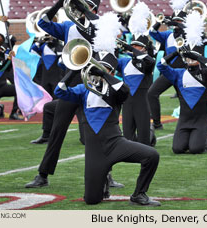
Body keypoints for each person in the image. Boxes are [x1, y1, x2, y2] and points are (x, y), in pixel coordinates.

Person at [54, 52, 160, 205]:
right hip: (94, 152)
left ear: (111, 72)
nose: (98, 70)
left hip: (115, 144)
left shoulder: (117, 89)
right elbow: (59, 91)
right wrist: (73, 71)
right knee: (91, 200)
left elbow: (124, 91)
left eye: (105, 68)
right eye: (97, 67)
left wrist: (104, 73)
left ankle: (139, 194)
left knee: (152, 155)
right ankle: (102, 181)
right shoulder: (83, 89)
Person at [25, 0, 101, 187]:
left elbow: (95, 25)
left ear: (94, 9)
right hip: (70, 83)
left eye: (87, 7)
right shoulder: (68, 27)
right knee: (57, 131)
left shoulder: (100, 26)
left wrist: (86, 10)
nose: (81, 10)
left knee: (96, 133)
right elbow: (43, 23)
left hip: (92, 84)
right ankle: (42, 175)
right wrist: (60, 2)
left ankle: (106, 174)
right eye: (80, 7)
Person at [158, 48, 207, 153]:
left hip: (200, 121)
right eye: (189, 58)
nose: (191, 60)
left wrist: (196, 56)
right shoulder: (178, 74)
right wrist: (175, 53)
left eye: (193, 58)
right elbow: (160, 65)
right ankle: (193, 139)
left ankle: (204, 141)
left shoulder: (206, 74)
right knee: (177, 149)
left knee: (195, 149)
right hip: (184, 121)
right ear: (185, 60)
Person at [148, 12, 187, 130]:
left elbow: (185, 29)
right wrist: (159, 22)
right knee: (151, 93)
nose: (176, 24)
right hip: (170, 72)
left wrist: (176, 23)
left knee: (186, 98)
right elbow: (152, 33)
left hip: (184, 73)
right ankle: (157, 123)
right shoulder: (168, 35)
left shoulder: (188, 34)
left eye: (179, 21)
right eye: (175, 21)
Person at [117, 35, 156, 145]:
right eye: (133, 45)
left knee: (144, 141)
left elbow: (150, 62)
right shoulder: (125, 61)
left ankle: (151, 135)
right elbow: (111, 63)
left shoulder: (148, 61)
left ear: (144, 48)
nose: (134, 47)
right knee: (127, 139)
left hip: (142, 101)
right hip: (128, 102)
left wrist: (131, 49)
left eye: (137, 46)